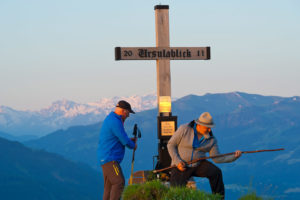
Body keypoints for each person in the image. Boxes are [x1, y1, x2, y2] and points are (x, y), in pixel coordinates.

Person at [167, 112, 242, 199]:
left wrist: (234, 157)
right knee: (176, 192)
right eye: (207, 128)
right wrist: (177, 162)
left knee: (216, 172)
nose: (210, 130)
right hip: (181, 165)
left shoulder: (211, 139)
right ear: (199, 125)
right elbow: (171, 145)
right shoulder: (184, 129)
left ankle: (218, 198)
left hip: (198, 164)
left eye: (210, 128)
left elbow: (217, 158)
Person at [97, 100, 137, 200]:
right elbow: (123, 139)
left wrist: (129, 140)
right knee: (119, 182)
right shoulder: (115, 121)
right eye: (128, 113)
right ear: (124, 111)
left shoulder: (111, 119)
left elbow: (119, 137)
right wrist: (133, 145)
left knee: (109, 188)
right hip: (111, 159)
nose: (128, 116)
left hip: (105, 158)